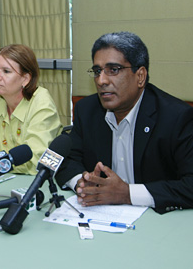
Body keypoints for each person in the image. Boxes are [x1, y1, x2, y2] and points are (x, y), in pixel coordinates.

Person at [55, 31, 193, 214]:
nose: (102, 80)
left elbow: (189, 185)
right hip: (100, 219)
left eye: (114, 70)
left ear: (140, 76)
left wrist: (127, 194)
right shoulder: (87, 111)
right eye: (97, 71)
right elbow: (67, 159)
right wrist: (82, 183)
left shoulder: (176, 117)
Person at [0, 44, 62, 175]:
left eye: (6, 71)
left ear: (25, 79)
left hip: (37, 184)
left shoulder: (41, 103)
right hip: (1, 179)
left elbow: (35, 162)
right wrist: (4, 162)